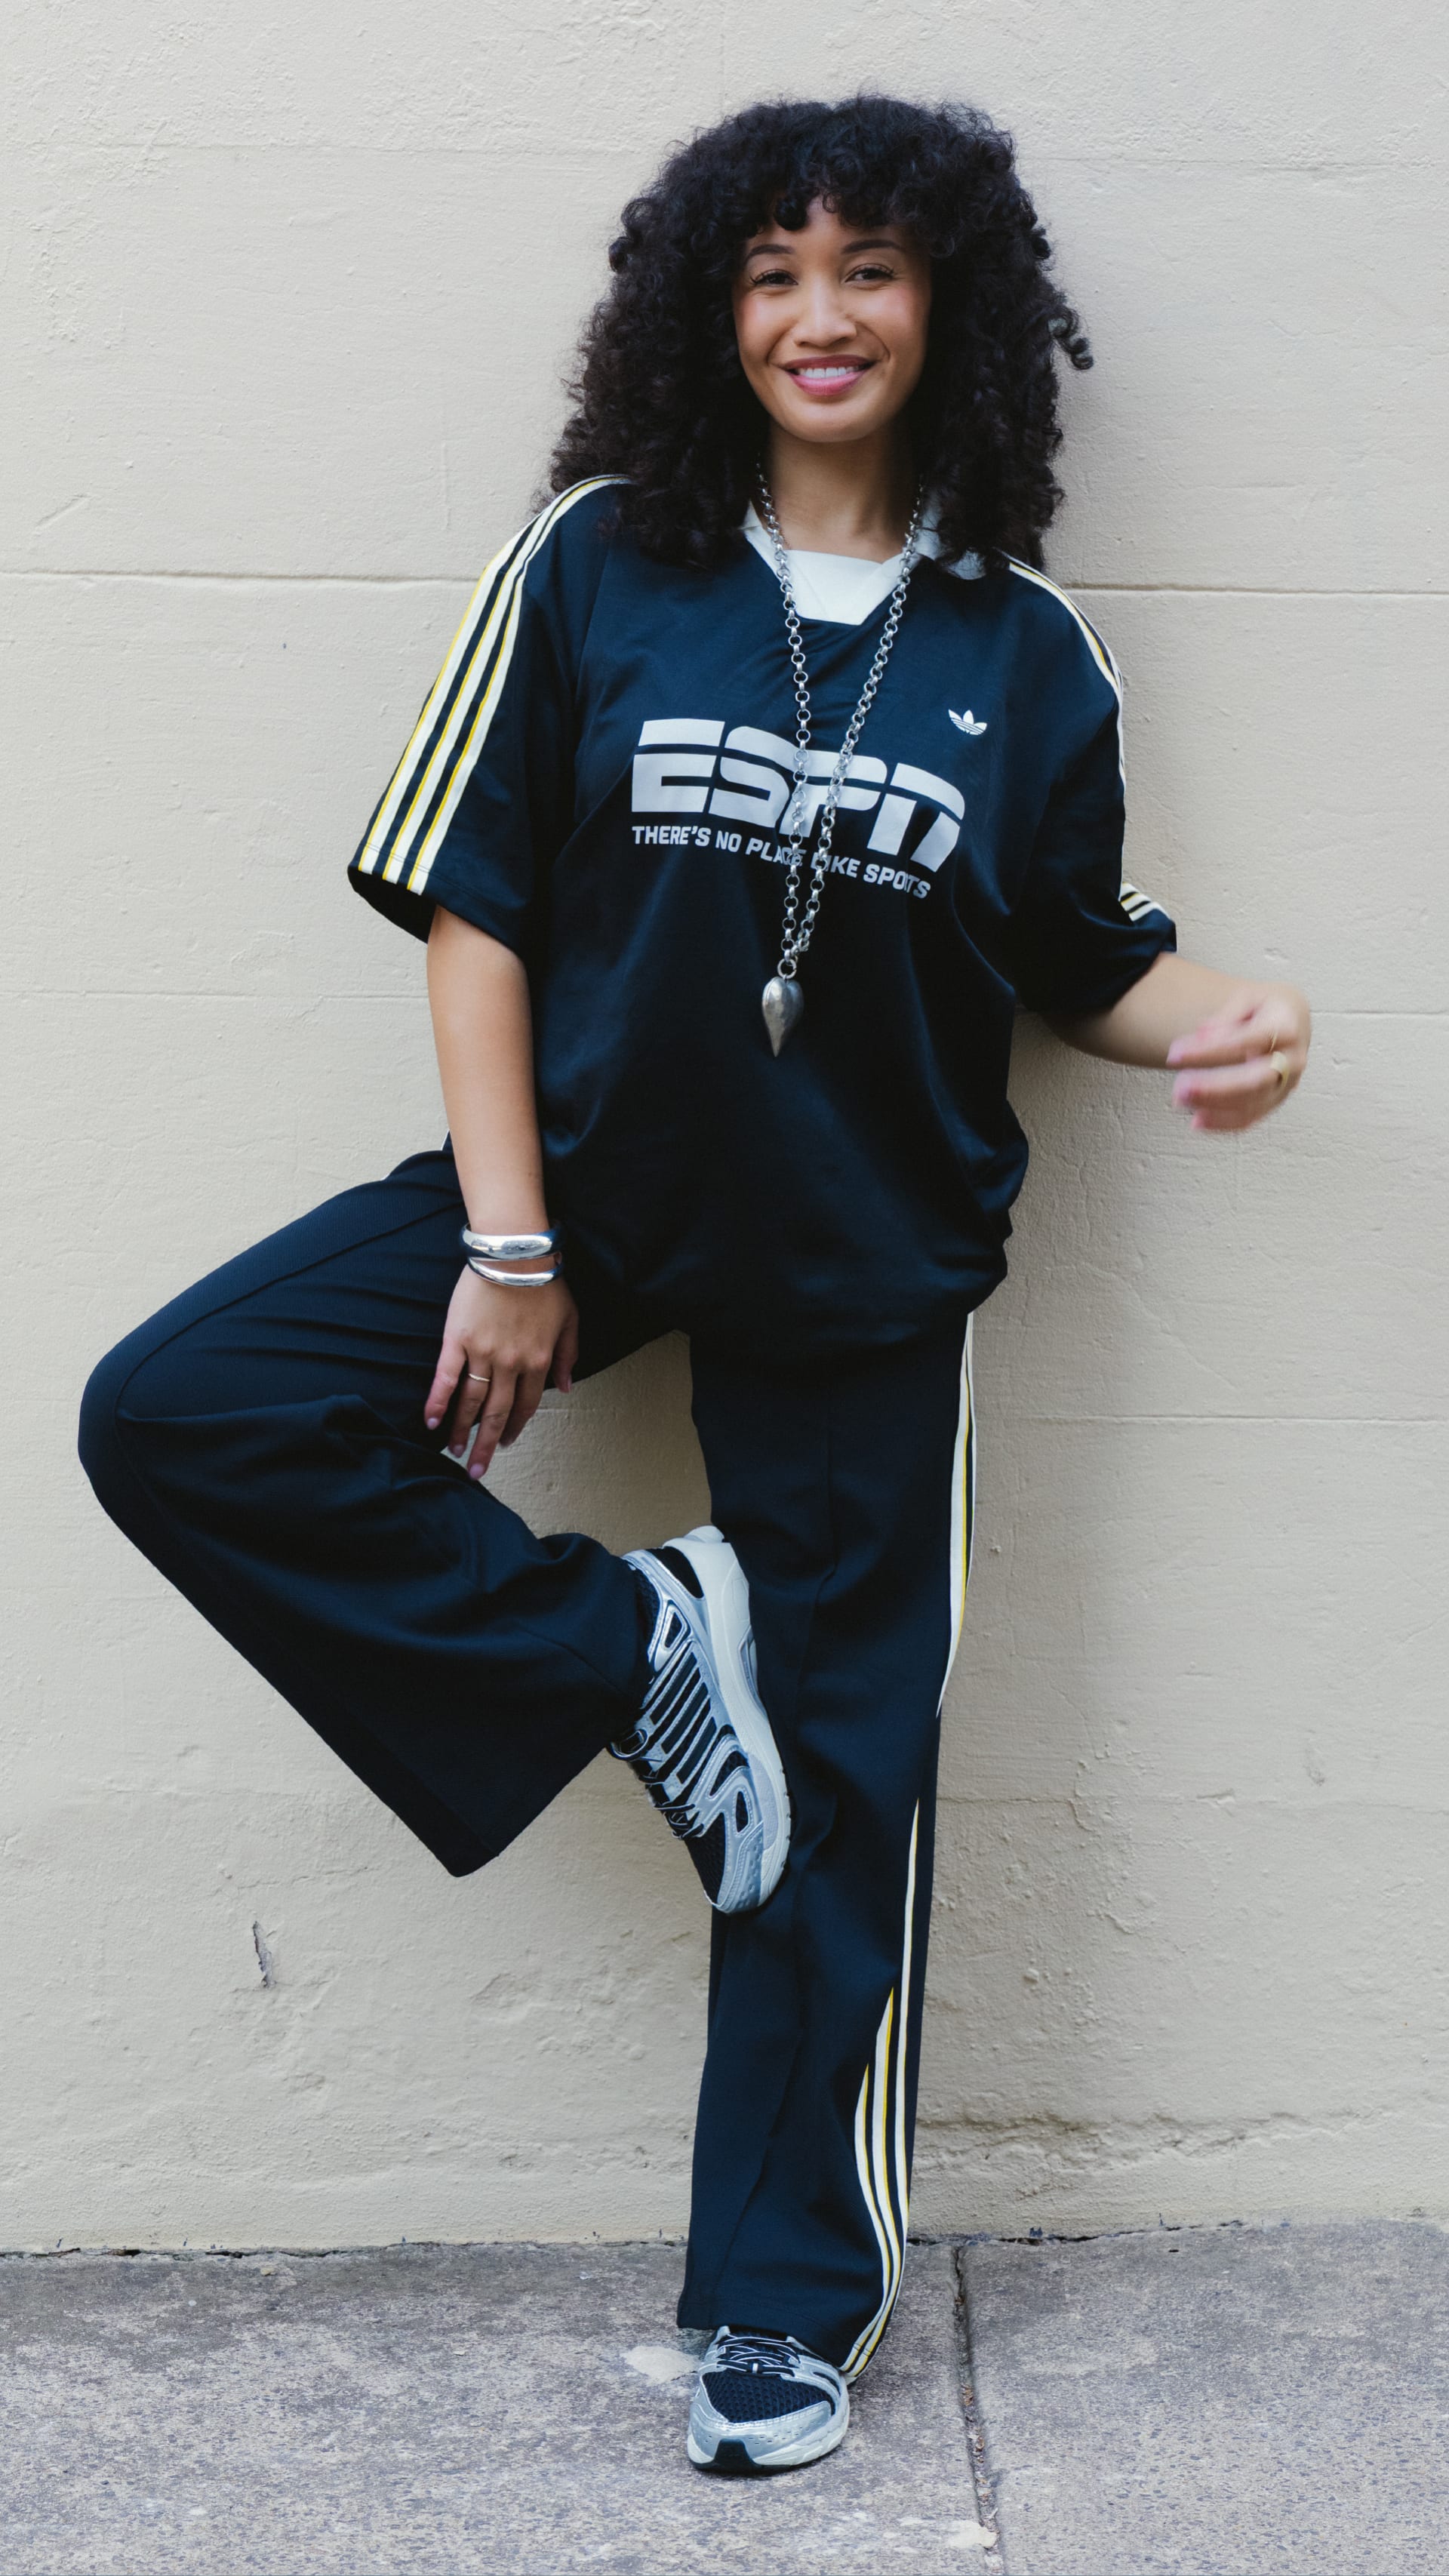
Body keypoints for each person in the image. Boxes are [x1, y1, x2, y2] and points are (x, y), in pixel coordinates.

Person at [78, 93, 1310, 2476]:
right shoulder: (597, 567)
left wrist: (1225, 1022)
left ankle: (782, 2311)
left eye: (866, 267)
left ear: (948, 304)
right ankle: (641, 1643)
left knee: (838, 1789)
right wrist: (514, 1247)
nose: (819, 315)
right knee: (190, 1408)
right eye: (769, 271)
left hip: (867, 1255)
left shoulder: (1024, 647)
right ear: (704, 314)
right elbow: (476, 901)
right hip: (594, 1191)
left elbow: (1078, 955)